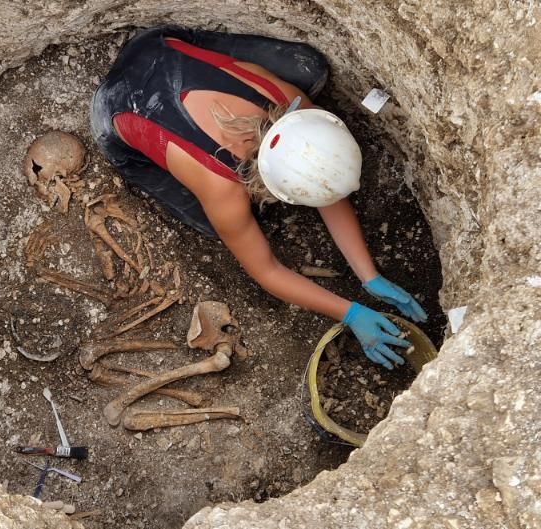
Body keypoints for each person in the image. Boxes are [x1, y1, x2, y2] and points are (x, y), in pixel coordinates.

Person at [90, 26, 427, 369]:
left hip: (160, 49)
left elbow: (322, 180)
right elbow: (266, 270)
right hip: (115, 105)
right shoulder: (222, 189)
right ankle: (134, 152)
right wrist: (351, 313)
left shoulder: (289, 102)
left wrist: (369, 275)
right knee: (212, 224)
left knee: (309, 67)